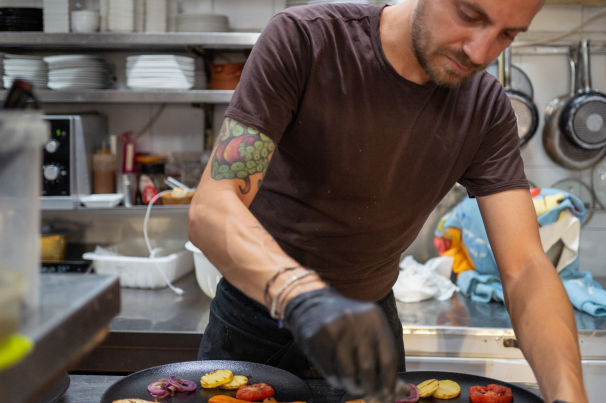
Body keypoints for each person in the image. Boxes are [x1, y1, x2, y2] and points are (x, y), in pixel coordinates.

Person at [188, 0, 588, 402]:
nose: (480, 53)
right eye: (469, 16)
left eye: (507, 34)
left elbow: (526, 268)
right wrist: (303, 296)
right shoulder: (305, 40)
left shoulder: (484, 108)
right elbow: (213, 207)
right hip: (255, 325)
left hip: (371, 330)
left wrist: (568, 395)